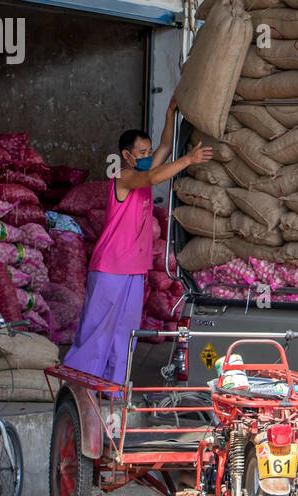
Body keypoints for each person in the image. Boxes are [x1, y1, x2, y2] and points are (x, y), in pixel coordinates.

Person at [63, 96, 213, 385]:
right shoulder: (124, 177)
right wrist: (188, 160)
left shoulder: (143, 171)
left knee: (126, 331)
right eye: (142, 151)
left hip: (133, 269)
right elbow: (155, 175)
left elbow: (166, 147)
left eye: (148, 150)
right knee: (97, 329)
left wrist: (170, 112)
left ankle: (113, 387)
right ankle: (79, 382)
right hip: (110, 267)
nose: (147, 154)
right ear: (127, 155)